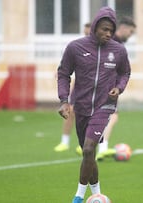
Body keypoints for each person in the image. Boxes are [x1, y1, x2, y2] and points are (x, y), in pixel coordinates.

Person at [57, 6, 131, 203]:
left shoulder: (118, 50)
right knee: (88, 154)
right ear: (95, 27)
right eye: (104, 29)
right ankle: (97, 194)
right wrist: (64, 100)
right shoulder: (75, 48)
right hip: (80, 107)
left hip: (104, 106)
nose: (108, 34)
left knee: (89, 149)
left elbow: (125, 73)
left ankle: (78, 197)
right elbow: (63, 73)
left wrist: (119, 87)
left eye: (111, 30)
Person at [96, 16, 136, 161]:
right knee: (112, 115)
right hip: (105, 85)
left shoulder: (111, 42)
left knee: (103, 115)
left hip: (103, 84)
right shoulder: (112, 42)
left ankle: (97, 146)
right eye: (130, 32)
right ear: (123, 28)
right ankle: (102, 147)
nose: (130, 36)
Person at [54, 22, 92, 154]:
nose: (86, 36)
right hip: (79, 86)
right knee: (70, 111)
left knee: (90, 116)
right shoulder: (79, 47)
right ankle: (64, 142)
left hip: (95, 89)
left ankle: (85, 143)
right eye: (85, 33)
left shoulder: (100, 49)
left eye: (89, 33)